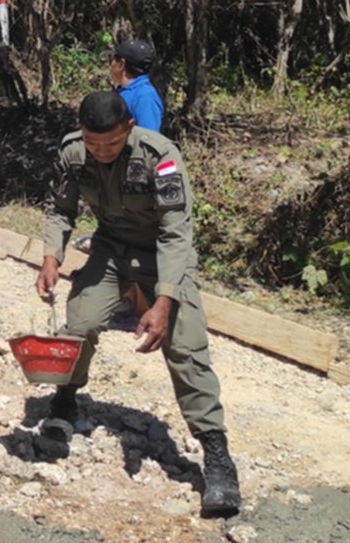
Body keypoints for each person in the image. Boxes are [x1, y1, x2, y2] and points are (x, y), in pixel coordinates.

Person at [36, 91, 240, 513]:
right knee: (79, 324)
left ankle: (217, 457)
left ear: (129, 128)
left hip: (161, 253)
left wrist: (163, 302)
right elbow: (60, 210)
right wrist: (51, 258)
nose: (101, 152)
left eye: (110, 144)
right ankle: (64, 399)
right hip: (111, 248)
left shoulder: (159, 156)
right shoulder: (73, 151)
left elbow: (175, 233)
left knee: (185, 348)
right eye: (94, 144)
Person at [106, 39, 163, 132]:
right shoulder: (124, 91)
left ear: (121, 64)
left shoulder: (145, 96)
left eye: (111, 60)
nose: (110, 65)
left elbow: (149, 138)